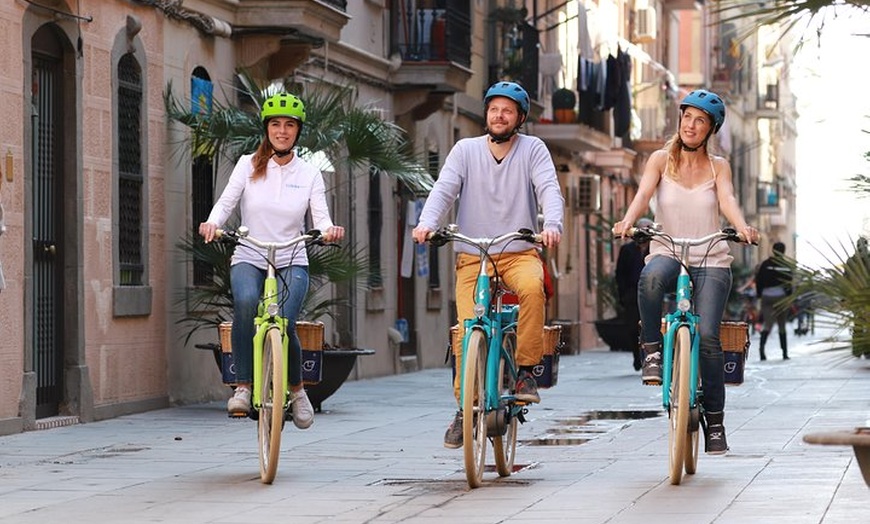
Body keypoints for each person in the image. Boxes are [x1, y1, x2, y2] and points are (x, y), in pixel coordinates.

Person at [411, 81, 564, 449]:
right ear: (486, 114)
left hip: (518, 252)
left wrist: (552, 226)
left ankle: (526, 372)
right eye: (494, 109)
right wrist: (427, 223)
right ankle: (466, 408)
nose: (499, 115)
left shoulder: (533, 149)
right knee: (467, 332)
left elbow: (549, 189)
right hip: (472, 255)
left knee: (531, 289)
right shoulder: (465, 150)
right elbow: (444, 189)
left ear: (520, 118)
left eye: (507, 110)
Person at [611, 89, 759, 455]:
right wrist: (628, 221)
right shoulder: (661, 159)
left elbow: (727, 201)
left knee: (708, 337)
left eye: (700, 121)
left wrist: (742, 227)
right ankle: (651, 349)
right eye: (687, 117)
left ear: (711, 129)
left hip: (710, 254)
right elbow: (643, 194)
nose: (691, 125)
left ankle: (716, 422)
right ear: (680, 120)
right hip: (668, 249)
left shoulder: (718, 166)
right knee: (649, 279)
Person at [199, 92, 345, 428]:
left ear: (298, 131)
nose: (282, 131)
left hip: (292, 256)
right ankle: (243, 386)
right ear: (266, 129)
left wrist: (328, 230)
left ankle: (297, 392)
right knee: (247, 303)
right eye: (276, 124)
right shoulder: (247, 165)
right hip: (250, 253)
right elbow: (225, 203)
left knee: (287, 324)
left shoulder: (309, 173)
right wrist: (213, 223)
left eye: (289, 125)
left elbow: (320, 217)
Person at [615, 217, 654, 371]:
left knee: (650, 326)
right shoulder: (627, 250)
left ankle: (649, 357)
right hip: (632, 294)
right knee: (632, 328)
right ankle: (637, 356)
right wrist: (623, 295)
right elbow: (620, 274)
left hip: (651, 292)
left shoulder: (656, 250)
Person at [755, 242, 793, 361]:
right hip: (781, 296)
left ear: (773, 250)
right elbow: (789, 283)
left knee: (768, 324)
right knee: (782, 325)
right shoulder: (786, 265)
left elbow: (758, 279)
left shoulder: (765, 264)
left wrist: (759, 294)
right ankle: (784, 353)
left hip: (766, 296)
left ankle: (761, 349)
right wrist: (788, 295)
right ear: (783, 251)